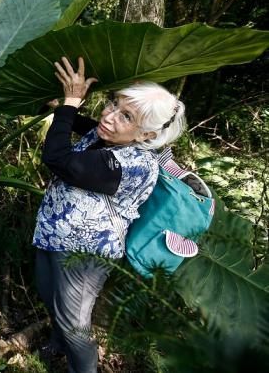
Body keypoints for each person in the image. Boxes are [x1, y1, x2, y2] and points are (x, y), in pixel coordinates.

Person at [32, 56, 186, 373]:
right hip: (54, 234)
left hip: (83, 253)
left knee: (74, 325)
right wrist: (65, 111)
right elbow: (90, 127)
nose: (110, 117)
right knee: (51, 299)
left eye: (126, 116)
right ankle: (56, 345)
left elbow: (58, 159)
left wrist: (71, 103)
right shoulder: (112, 134)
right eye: (113, 105)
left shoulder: (130, 164)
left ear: (146, 135)